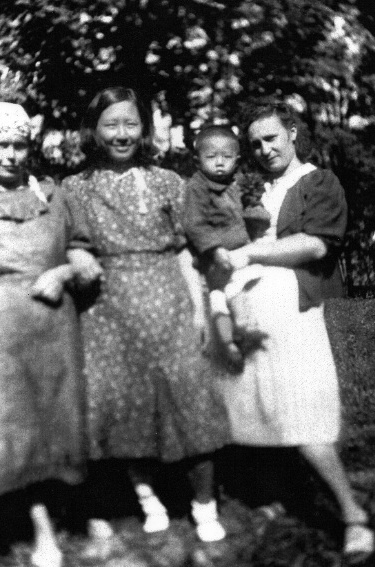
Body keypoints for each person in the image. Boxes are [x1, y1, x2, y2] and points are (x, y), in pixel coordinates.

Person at [61, 87, 230, 556]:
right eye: (111, 124)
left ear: (144, 129)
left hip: (168, 299)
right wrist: (75, 253)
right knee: (126, 406)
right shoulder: (74, 188)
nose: (122, 134)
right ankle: (148, 500)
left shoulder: (169, 182)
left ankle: (204, 506)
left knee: (189, 397)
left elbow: (184, 249)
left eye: (130, 124)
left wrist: (197, 308)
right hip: (107, 310)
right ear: (93, 131)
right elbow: (67, 243)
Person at [217, 98, 374, 564]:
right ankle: (278, 496)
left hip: (294, 307)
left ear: (292, 134)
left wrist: (250, 254)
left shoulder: (316, 182)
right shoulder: (252, 190)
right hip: (251, 308)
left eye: (271, 138)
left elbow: (317, 244)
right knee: (260, 404)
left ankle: (353, 516)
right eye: (254, 144)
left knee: (305, 412)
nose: (264, 149)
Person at [0, 102, 102, 567]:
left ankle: (83, 511)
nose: (11, 155)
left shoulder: (53, 195)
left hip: (53, 327)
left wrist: (63, 272)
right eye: (1, 146)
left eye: (19, 145)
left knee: (61, 419)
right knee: (14, 425)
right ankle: (39, 528)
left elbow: (85, 254)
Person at [183, 124, 270, 366]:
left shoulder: (237, 183)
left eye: (227, 157)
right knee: (229, 292)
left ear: (237, 159)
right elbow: (194, 223)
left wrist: (257, 213)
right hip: (214, 255)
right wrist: (214, 248)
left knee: (220, 298)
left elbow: (251, 207)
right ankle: (240, 329)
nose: (219, 163)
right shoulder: (197, 188)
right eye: (211, 157)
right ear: (198, 160)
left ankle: (231, 341)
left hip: (239, 251)